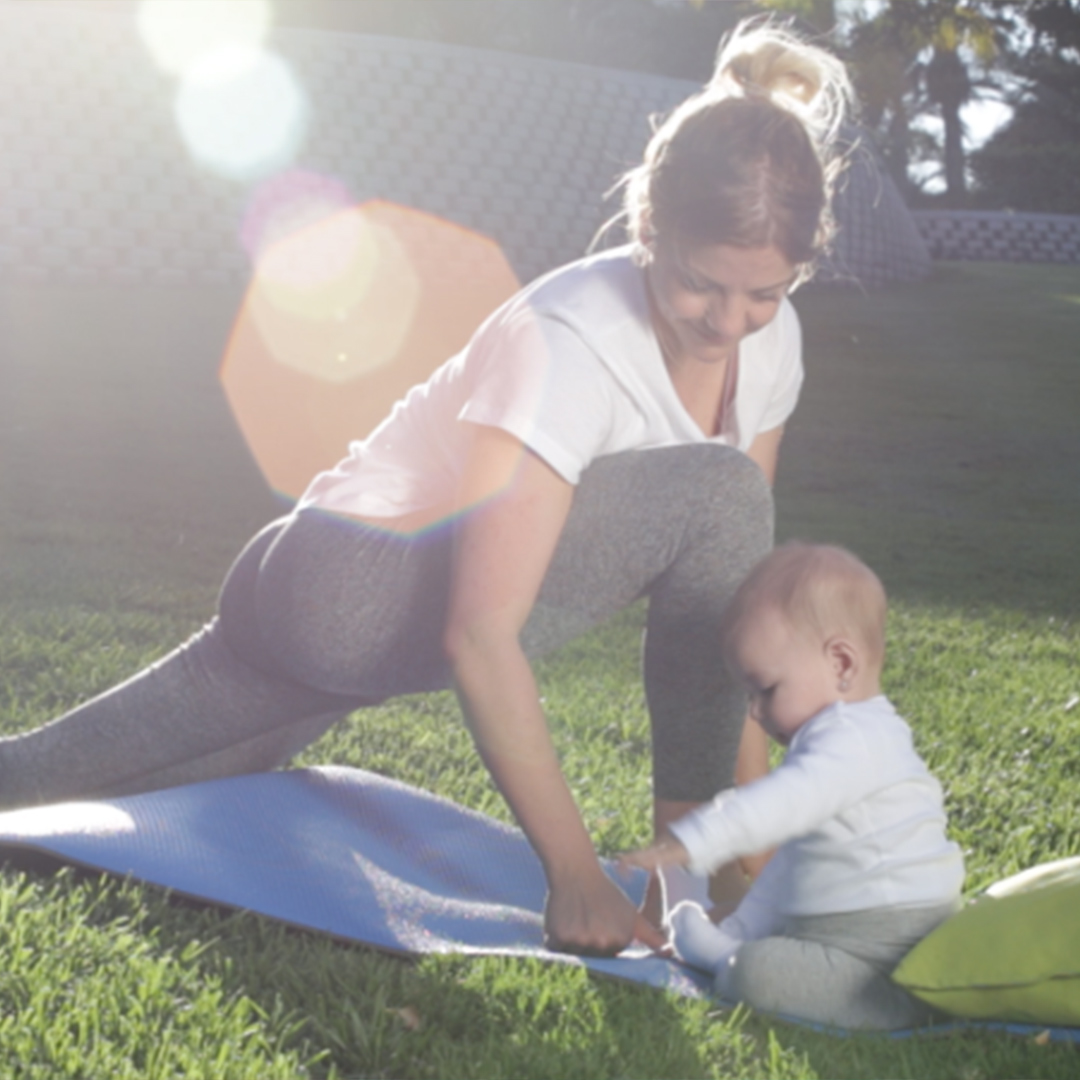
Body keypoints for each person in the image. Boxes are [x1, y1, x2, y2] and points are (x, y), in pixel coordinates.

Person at [0, 19, 852, 957]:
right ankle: (704, 879)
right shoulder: (568, 339)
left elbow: (734, 615)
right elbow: (479, 634)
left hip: (344, 638)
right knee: (721, 495)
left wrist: (754, 842)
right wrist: (572, 879)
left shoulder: (775, 348)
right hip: (346, 585)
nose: (730, 322)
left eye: (764, 294)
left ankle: (723, 874)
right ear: (652, 228)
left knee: (81, 786)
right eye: (700, 285)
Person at [620, 543, 965, 1029]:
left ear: (841, 664)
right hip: (842, 933)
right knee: (755, 931)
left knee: (753, 976)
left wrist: (695, 837)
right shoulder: (845, 735)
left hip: (885, 948)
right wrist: (736, 927)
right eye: (748, 695)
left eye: (766, 689)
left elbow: (778, 805)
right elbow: (792, 865)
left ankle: (901, 1007)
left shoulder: (852, 742)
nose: (756, 713)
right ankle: (732, 946)